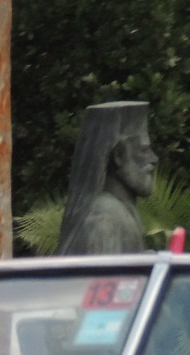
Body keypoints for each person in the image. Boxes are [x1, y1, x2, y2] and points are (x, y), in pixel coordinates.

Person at [57, 101, 158, 255]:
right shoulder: (104, 220)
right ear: (118, 156)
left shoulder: (118, 212)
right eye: (143, 150)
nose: (154, 158)